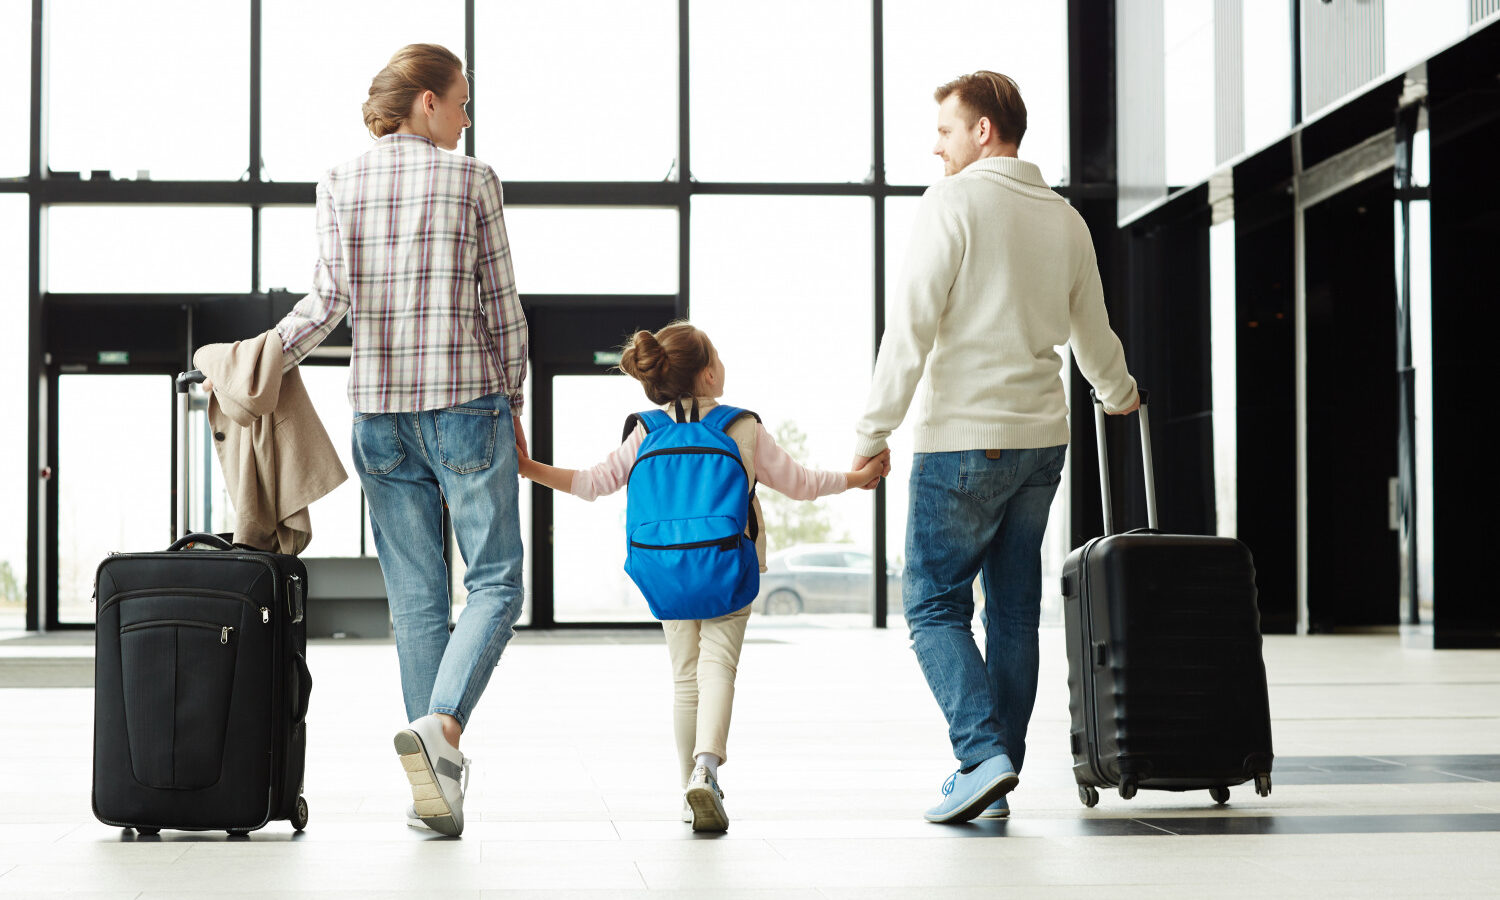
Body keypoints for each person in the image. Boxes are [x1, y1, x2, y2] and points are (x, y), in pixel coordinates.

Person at [851, 71, 1139, 824]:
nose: (935, 145)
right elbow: (1093, 335)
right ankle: (996, 770)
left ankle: (982, 758)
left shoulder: (953, 203)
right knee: (1013, 612)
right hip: (1043, 442)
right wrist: (1118, 393)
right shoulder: (1066, 219)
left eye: (945, 130)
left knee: (932, 605)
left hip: (963, 442)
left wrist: (871, 433)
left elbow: (910, 327)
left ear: (984, 131)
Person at [272, 43, 528, 837]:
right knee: (495, 583)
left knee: (417, 599)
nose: (466, 115)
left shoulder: (341, 181)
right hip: (464, 404)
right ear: (425, 101)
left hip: (378, 416)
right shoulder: (472, 179)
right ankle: (441, 727)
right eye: (460, 101)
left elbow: (327, 302)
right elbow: (501, 308)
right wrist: (513, 400)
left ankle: (437, 787)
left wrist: (261, 359)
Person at [517, 322, 889, 832]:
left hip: (665, 571)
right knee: (719, 668)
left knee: (684, 679)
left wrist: (527, 466)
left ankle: (690, 787)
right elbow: (801, 484)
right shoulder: (742, 427)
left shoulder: (645, 431)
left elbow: (590, 483)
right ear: (710, 371)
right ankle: (706, 771)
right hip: (729, 566)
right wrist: (855, 478)